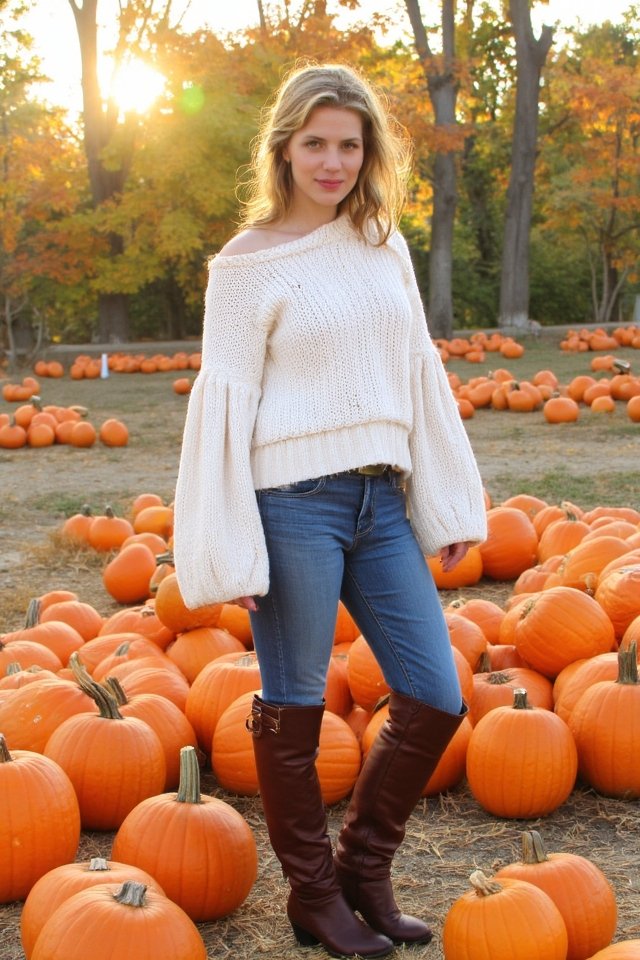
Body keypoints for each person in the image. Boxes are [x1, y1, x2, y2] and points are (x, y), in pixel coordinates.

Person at [173, 62, 487, 959]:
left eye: (349, 144)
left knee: (435, 695)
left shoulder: (383, 245)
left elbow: (417, 377)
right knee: (295, 710)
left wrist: (447, 500)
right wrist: (230, 545)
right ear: (283, 148)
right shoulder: (245, 265)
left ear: (368, 151)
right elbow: (226, 405)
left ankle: (361, 872)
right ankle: (314, 898)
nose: (332, 161)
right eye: (314, 143)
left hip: (381, 503)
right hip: (292, 509)